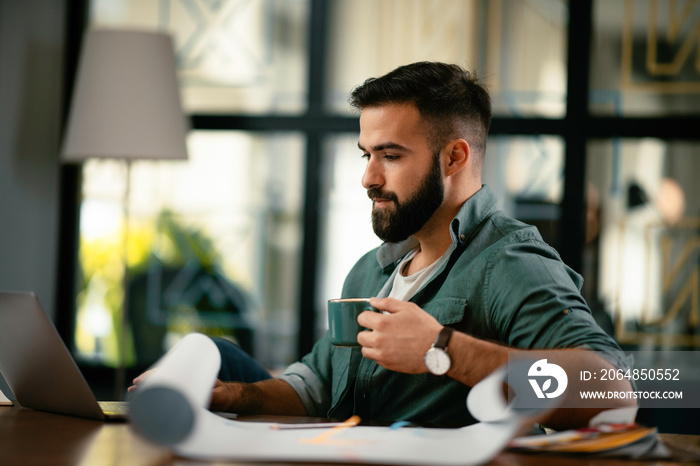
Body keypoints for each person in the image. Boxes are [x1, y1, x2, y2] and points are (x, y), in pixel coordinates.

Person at [131, 61, 634, 430]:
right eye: (366, 154)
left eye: (390, 155)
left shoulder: (509, 261)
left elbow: (612, 390)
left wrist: (441, 349)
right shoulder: (370, 272)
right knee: (215, 355)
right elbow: (317, 387)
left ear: (454, 157)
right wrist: (232, 395)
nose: (368, 178)